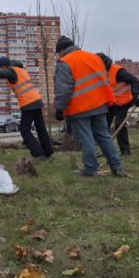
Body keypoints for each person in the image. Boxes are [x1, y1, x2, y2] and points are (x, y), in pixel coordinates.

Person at [54, 36, 126, 177]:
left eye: (58, 53)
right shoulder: (93, 57)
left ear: (62, 50)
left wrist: (59, 108)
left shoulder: (64, 62)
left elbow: (64, 89)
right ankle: (117, 167)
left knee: (86, 138)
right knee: (104, 136)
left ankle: (91, 169)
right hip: (99, 104)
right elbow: (104, 78)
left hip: (80, 107)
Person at [0, 57, 53, 159]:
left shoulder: (12, 71)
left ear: (5, 65)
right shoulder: (22, 70)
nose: (2, 70)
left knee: (24, 129)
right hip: (37, 101)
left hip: (28, 103)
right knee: (41, 128)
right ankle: (48, 152)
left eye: (2, 67)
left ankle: (39, 154)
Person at [96, 53, 139, 155]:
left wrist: (135, 96)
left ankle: (125, 150)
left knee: (119, 125)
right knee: (103, 127)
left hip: (123, 103)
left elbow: (134, 81)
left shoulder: (118, 71)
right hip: (110, 104)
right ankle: (107, 151)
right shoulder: (99, 73)